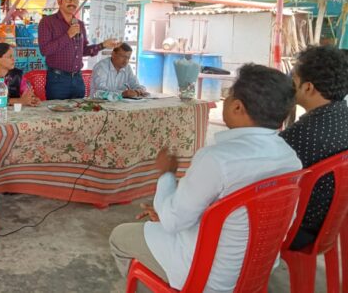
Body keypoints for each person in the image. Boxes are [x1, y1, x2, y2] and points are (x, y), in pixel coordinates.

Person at [109, 64, 301, 292]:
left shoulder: (216, 159)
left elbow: (172, 222)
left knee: (119, 236)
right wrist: (170, 209)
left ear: (237, 107)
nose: (225, 100)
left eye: (228, 96)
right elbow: (234, 213)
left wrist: (167, 175)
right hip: (256, 267)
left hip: (209, 275)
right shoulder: (290, 158)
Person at [280, 45, 348, 250]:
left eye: (294, 79)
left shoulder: (300, 135)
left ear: (308, 88)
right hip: (333, 220)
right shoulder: (342, 115)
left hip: (303, 228)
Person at [38, 0, 117, 99]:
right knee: (59, 116)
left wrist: (103, 45)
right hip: (57, 80)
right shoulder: (47, 22)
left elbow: (83, 50)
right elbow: (45, 50)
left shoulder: (79, 24)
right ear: (59, 1)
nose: (72, 2)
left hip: (77, 79)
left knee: (79, 114)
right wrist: (68, 35)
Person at [0, 43, 40, 107]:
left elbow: (28, 95)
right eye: (10, 56)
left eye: (13, 56)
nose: (13, 59)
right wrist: (19, 101)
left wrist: (32, 99)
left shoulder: (18, 75)